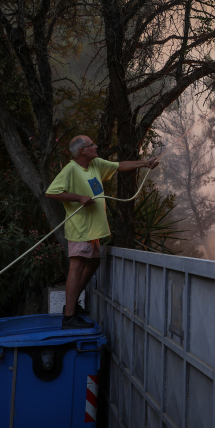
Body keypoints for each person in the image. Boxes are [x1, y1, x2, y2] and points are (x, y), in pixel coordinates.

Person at [45, 135, 158, 330]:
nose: (96, 146)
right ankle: (69, 317)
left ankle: (70, 307)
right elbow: (51, 192)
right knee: (77, 266)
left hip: (93, 229)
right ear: (82, 150)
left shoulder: (95, 164)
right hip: (81, 228)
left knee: (94, 262)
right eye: (91, 145)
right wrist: (79, 197)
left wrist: (145, 163)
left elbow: (119, 165)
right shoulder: (71, 169)